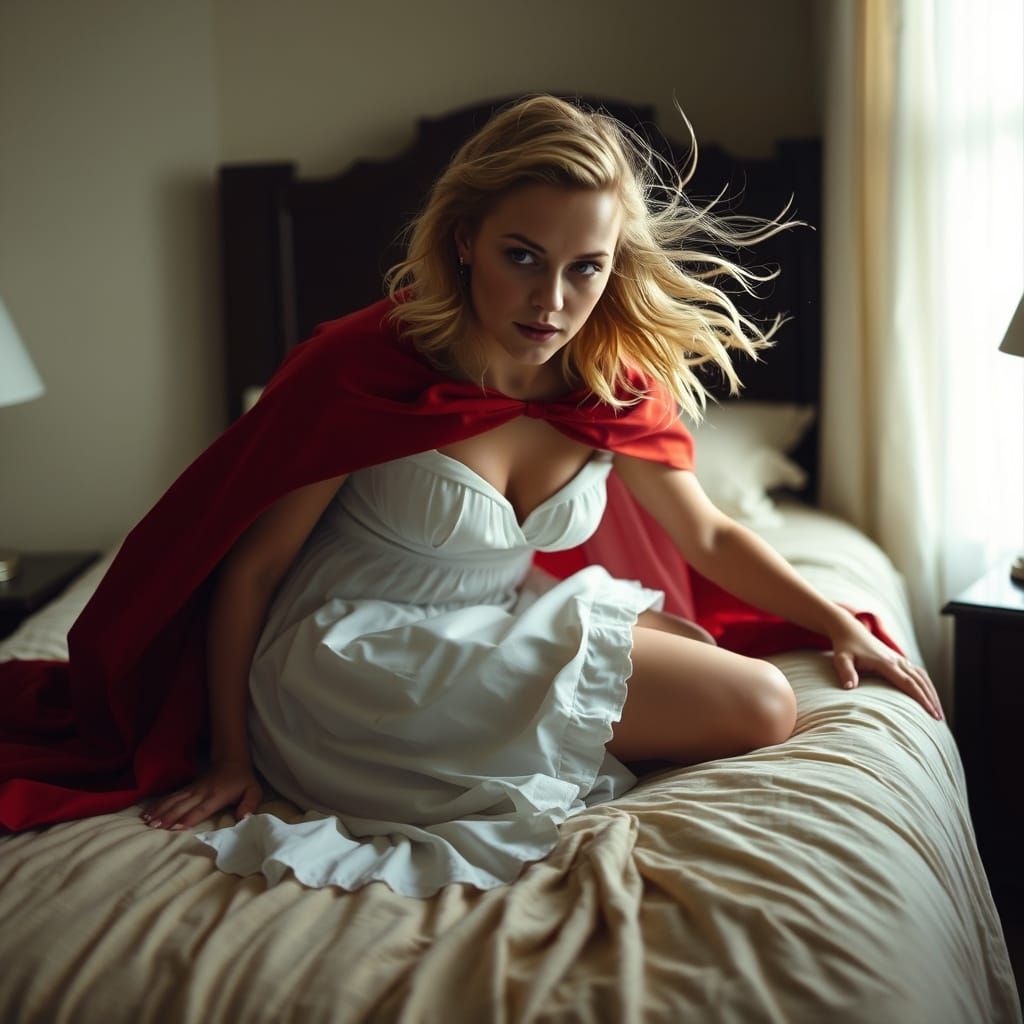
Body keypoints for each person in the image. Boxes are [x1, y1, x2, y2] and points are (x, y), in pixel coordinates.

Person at [135, 95, 941, 896]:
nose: (551, 302)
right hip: (354, 650)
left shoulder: (611, 386)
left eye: (585, 267)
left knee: (741, 690)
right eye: (522, 256)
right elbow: (255, 571)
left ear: (613, 263)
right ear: (464, 241)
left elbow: (710, 536)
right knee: (761, 700)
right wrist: (232, 759)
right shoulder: (365, 370)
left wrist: (840, 623)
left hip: (500, 612)